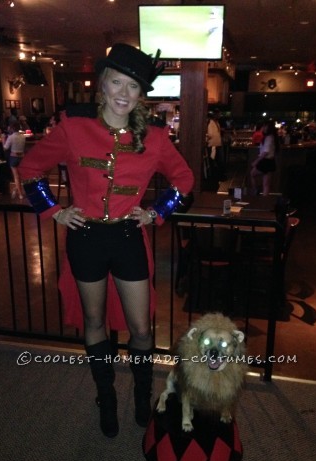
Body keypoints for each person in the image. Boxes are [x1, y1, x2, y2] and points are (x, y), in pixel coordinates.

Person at [18, 43, 194, 438]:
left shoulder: (155, 137)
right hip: (86, 239)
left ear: (141, 94)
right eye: (117, 82)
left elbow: (184, 181)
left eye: (133, 86)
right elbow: (30, 169)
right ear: (102, 84)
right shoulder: (73, 127)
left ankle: (143, 395)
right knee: (94, 321)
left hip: (129, 238)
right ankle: (106, 397)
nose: (124, 93)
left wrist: (157, 212)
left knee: (142, 329)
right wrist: (55, 210)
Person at [250, 120, 279, 196]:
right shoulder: (272, 136)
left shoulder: (268, 138)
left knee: (253, 174)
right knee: (266, 184)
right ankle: (264, 201)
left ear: (268, 127)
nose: (263, 127)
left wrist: (256, 161)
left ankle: (256, 190)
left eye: (264, 126)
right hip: (270, 161)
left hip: (265, 161)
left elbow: (265, 152)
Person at [3, 121, 26, 199]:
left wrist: (3, 140)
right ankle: (16, 189)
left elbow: (5, 148)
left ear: (12, 128)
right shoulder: (23, 136)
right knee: (20, 176)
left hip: (13, 157)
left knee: (16, 176)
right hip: (22, 157)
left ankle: (20, 194)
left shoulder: (11, 137)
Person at [206, 110, 226, 184]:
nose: (219, 116)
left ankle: (218, 176)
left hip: (217, 144)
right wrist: (207, 138)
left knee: (218, 161)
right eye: (218, 114)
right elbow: (210, 134)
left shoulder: (216, 122)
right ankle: (216, 177)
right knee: (215, 161)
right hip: (213, 145)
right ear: (215, 115)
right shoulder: (211, 122)